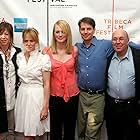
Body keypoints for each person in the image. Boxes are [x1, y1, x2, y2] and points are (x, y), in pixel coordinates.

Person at [75, 17, 113, 140]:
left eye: (88, 29)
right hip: (81, 96)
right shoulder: (76, 47)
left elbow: (123, 44)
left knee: (92, 134)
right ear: (80, 31)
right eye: (83, 29)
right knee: (80, 131)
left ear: (94, 30)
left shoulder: (105, 45)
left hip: (98, 97)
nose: (85, 32)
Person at [43, 20, 79, 140]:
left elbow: (77, 70)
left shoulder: (74, 51)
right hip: (55, 97)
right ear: (53, 34)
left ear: (67, 33)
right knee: (55, 132)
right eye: (57, 31)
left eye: (63, 31)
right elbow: (45, 81)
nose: (60, 34)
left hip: (72, 97)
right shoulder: (46, 52)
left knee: (70, 131)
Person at [14, 28, 51, 140]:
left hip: (37, 97)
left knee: (36, 133)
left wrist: (45, 106)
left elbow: (47, 84)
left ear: (36, 41)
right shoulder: (19, 57)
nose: (29, 44)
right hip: (22, 96)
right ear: (23, 41)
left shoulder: (43, 58)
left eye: (32, 40)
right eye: (26, 41)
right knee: (27, 134)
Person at [105, 29, 140, 140]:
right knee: (113, 136)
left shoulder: (137, 57)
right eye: (114, 39)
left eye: (121, 39)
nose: (117, 42)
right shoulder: (109, 57)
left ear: (128, 41)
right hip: (112, 108)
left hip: (131, 108)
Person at [0, 22, 21, 140]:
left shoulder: (17, 52)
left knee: (12, 132)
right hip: (1, 97)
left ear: (11, 36)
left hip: (14, 97)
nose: (3, 37)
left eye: (6, 34)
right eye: (1, 34)